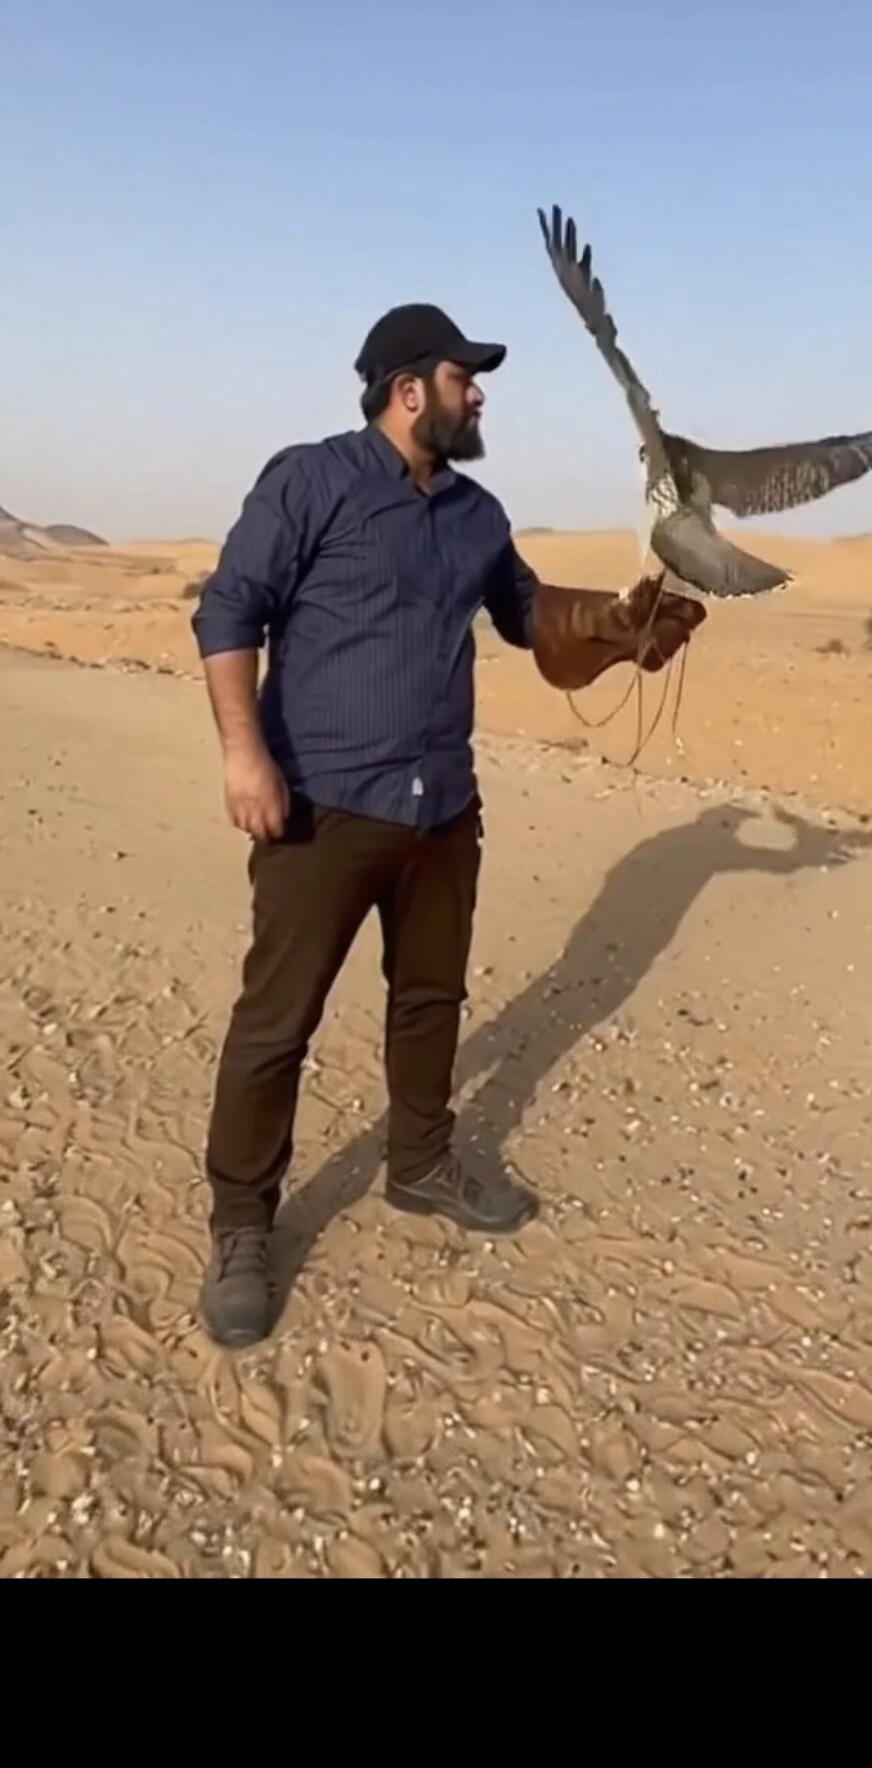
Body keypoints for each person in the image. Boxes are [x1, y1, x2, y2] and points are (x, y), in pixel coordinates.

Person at [192, 301, 702, 1346]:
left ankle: (421, 1159)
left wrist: (616, 625)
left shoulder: (476, 514)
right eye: (466, 376)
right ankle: (243, 1220)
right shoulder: (311, 479)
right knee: (277, 1022)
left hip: (441, 808)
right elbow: (228, 610)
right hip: (320, 806)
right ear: (408, 388)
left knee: (428, 997)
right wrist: (244, 753)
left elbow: (529, 617)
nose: (482, 393)